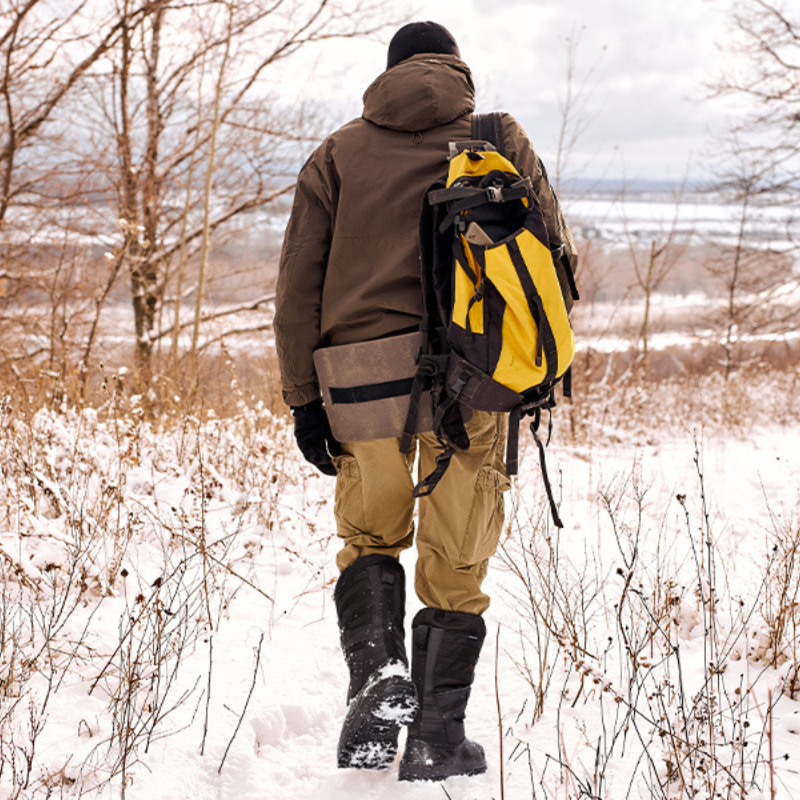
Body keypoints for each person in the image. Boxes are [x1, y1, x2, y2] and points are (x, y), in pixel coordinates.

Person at [274, 21, 576, 782]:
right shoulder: (496, 133)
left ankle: (377, 677)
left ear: (388, 73)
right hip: (473, 374)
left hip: (359, 374)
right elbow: (555, 255)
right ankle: (439, 735)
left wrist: (305, 400)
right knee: (458, 551)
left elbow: (296, 288)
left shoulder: (338, 152)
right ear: (455, 68)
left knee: (370, 536)